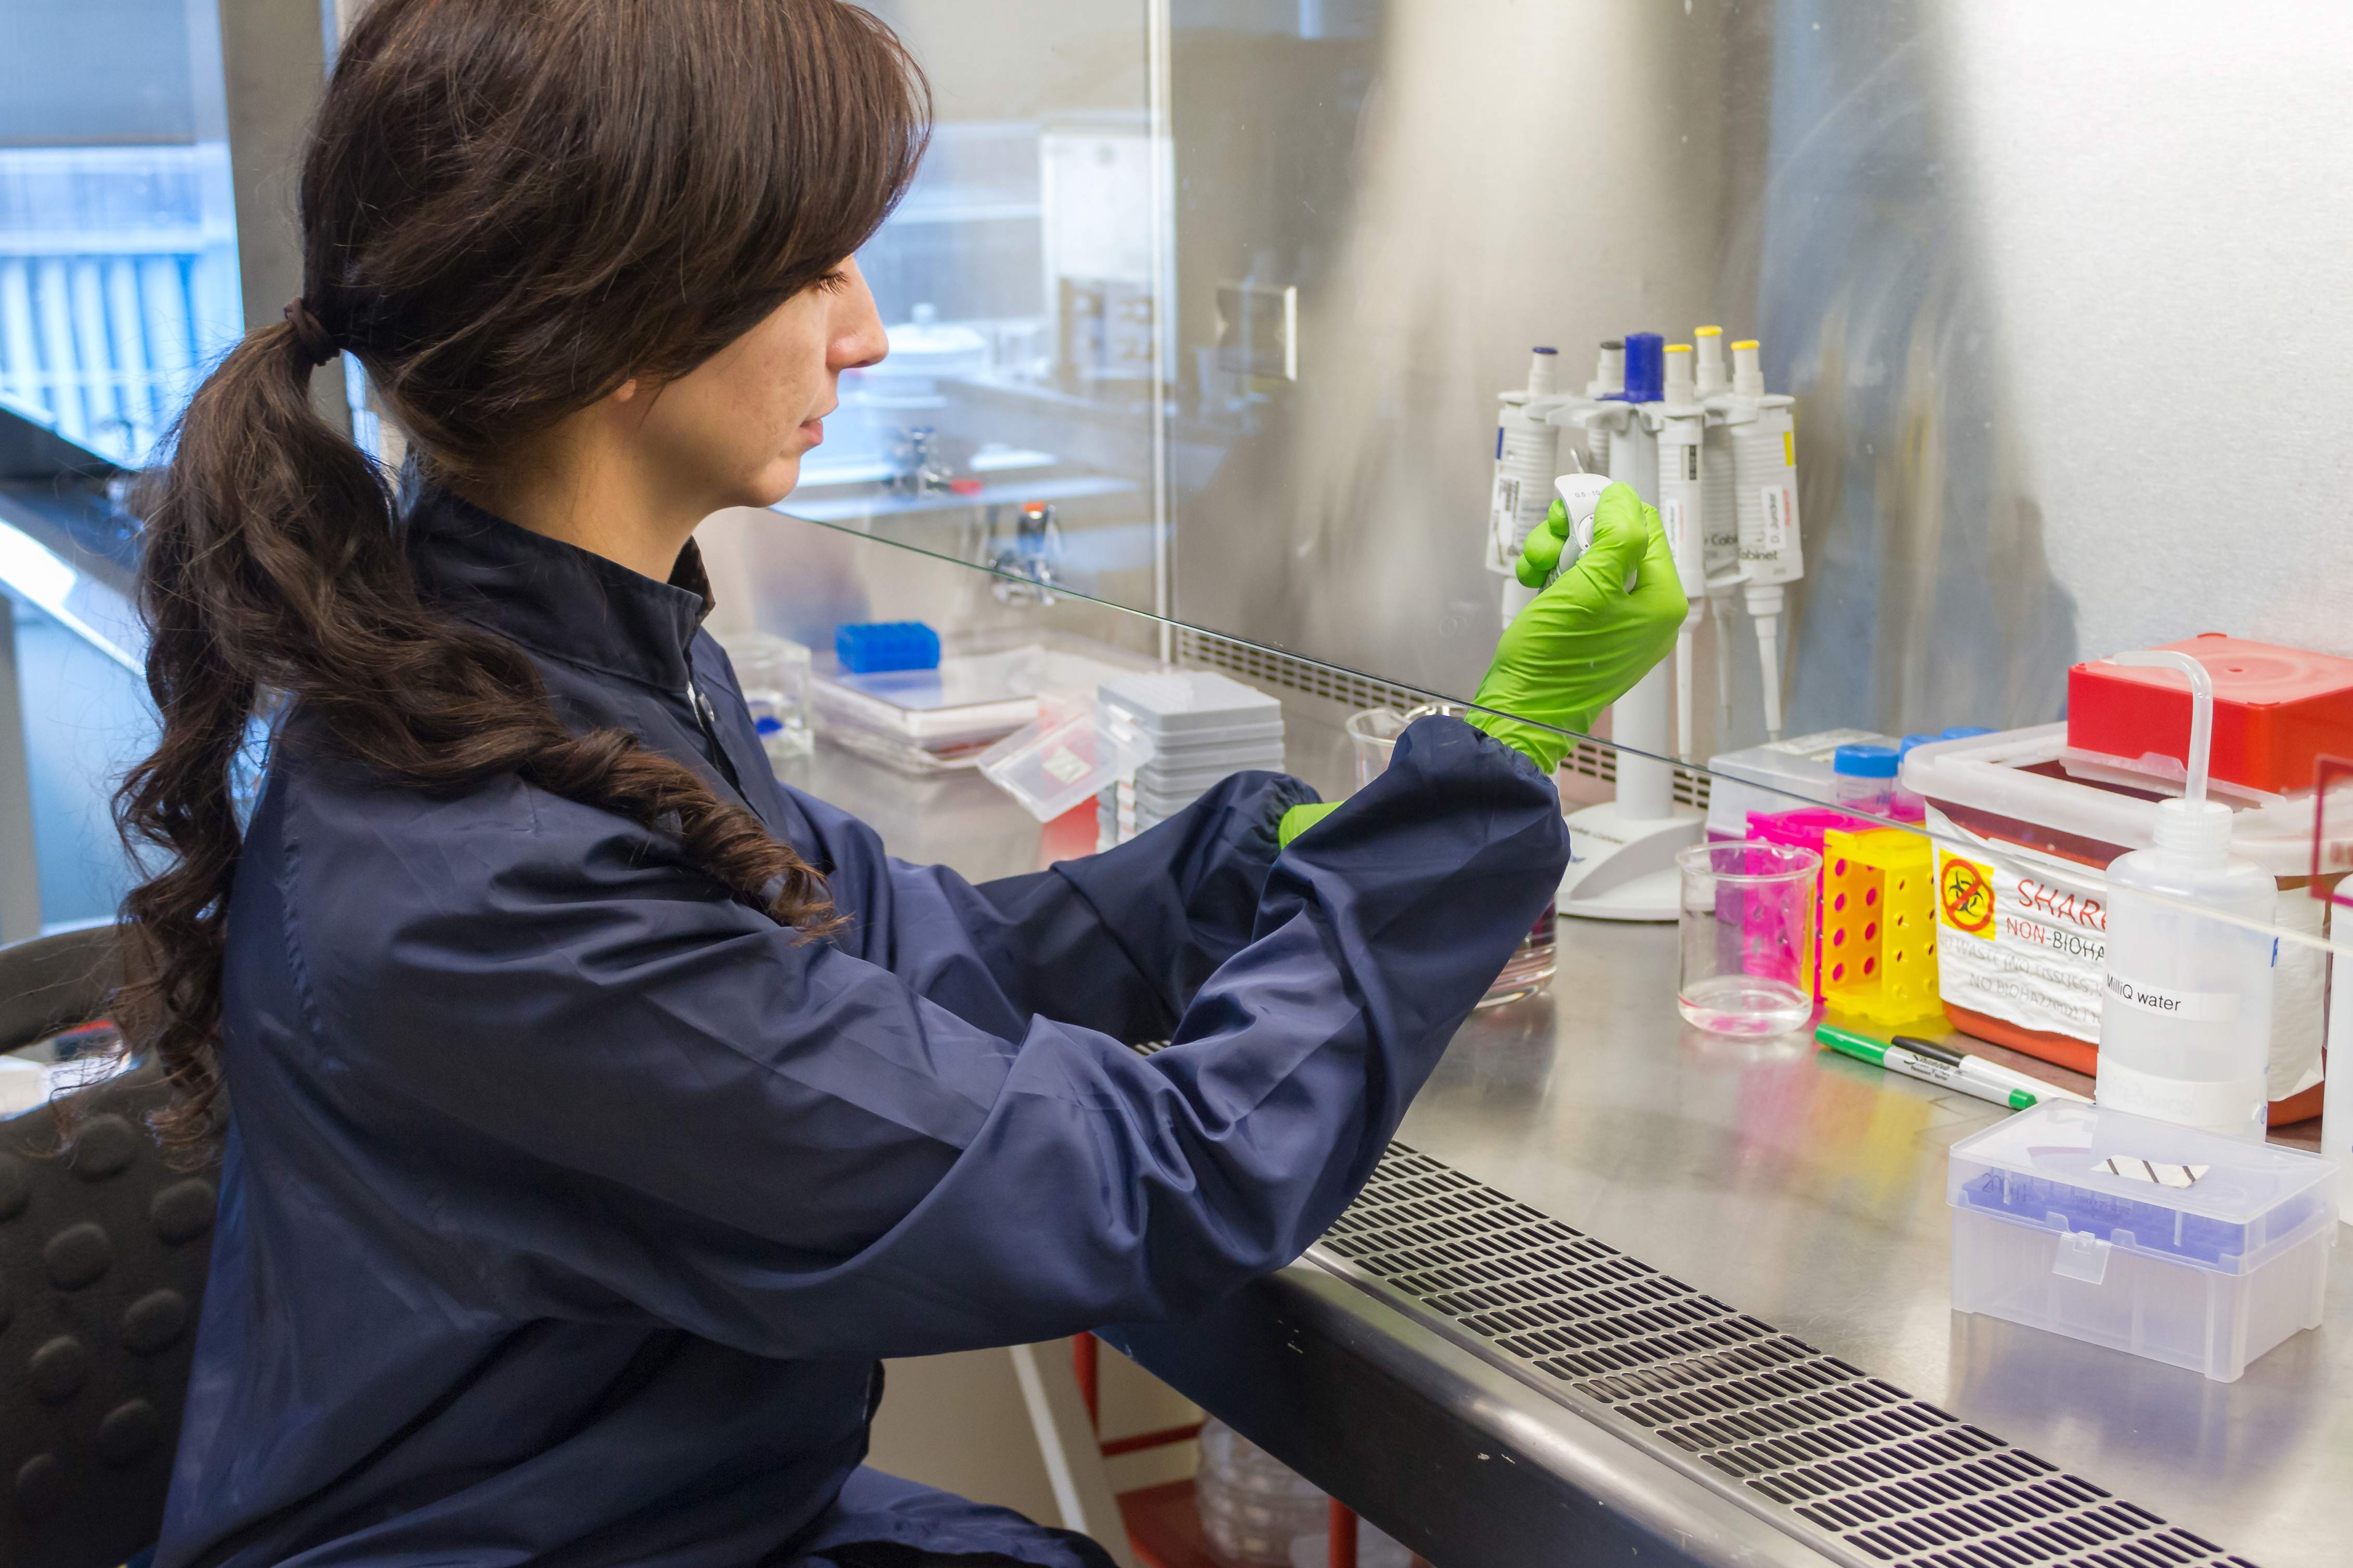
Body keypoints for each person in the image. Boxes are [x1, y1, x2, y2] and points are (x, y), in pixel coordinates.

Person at [112, 3, 1684, 1565]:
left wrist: (1276, 859)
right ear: (624, 321)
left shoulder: (562, 678)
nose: (861, 333)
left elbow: (929, 956)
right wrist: (1501, 759)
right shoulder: (487, 879)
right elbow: (1150, 1181)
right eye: (818, 270)